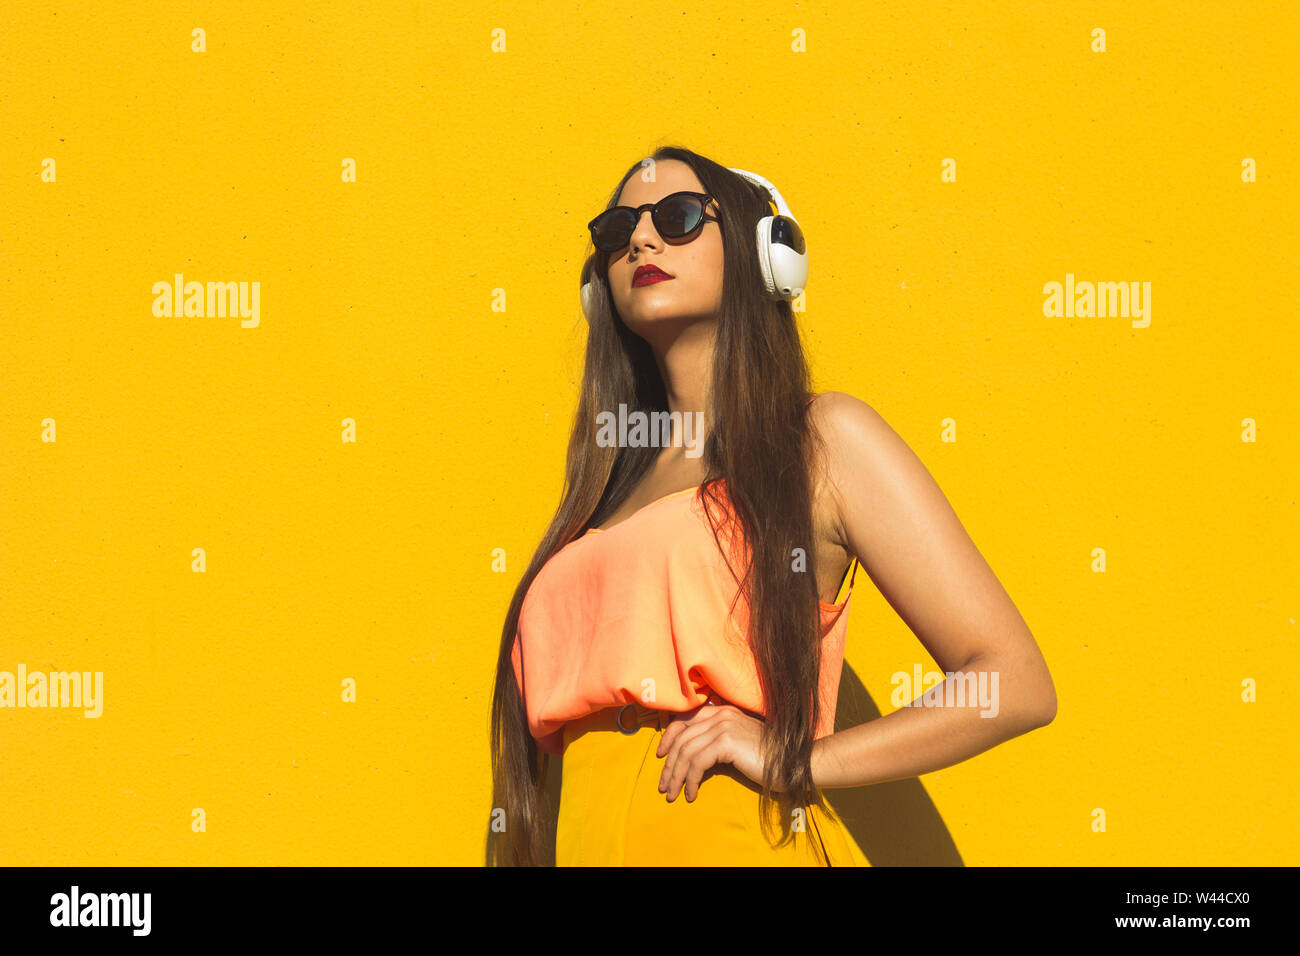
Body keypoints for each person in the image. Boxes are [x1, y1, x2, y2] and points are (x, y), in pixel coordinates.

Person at [488, 145, 1056, 866]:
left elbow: (1014, 682)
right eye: (617, 228)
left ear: (767, 252)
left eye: (680, 216)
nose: (641, 238)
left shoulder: (820, 443)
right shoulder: (598, 497)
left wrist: (799, 761)